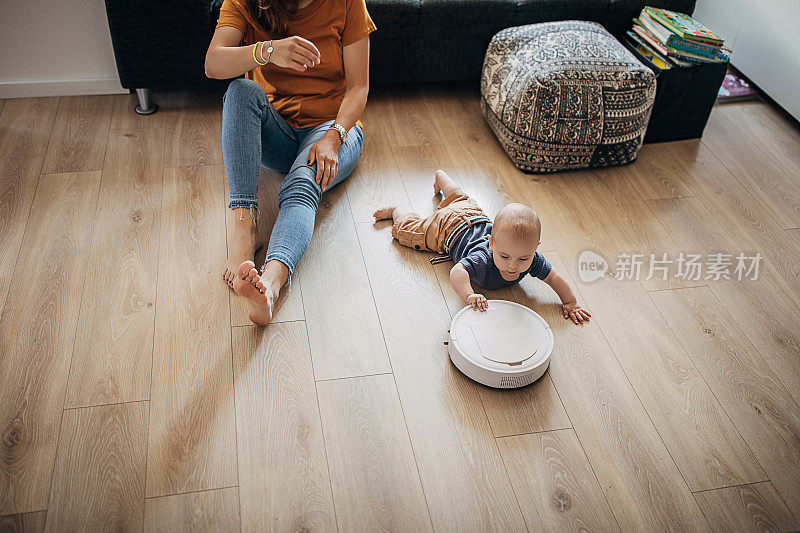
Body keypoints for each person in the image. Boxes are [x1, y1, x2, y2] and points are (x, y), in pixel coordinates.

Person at [205, 0, 375, 325]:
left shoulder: (347, 3)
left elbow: (359, 86)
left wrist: (334, 136)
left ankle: (269, 286)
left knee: (301, 184)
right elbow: (214, 63)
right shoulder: (245, 3)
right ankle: (245, 229)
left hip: (332, 127)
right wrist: (266, 50)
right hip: (278, 129)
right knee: (240, 90)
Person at [373, 170, 592, 324]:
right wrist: (469, 295)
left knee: (459, 196)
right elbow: (457, 271)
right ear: (491, 243)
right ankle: (397, 211)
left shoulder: (530, 258)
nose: (513, 266)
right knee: (407, 232)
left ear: (535, 248)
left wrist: (570, 302)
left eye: (523, 258)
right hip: (445, 229)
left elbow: (553, 277)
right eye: (505, 256)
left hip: (473, 214)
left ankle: (442, 178)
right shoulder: (483, 259)